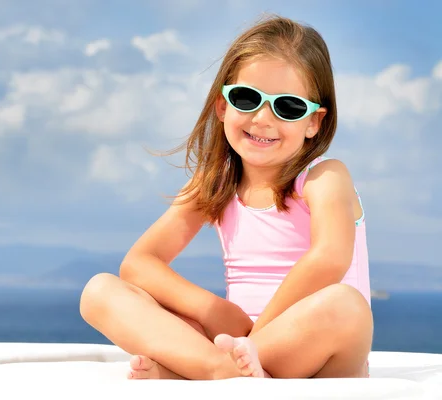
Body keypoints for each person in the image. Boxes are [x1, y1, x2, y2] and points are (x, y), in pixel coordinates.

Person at [79, 14, 373, 380]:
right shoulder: (215, 182)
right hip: (234, 344)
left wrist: (258, 338)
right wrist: (209, 309)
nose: (263, 118)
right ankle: (220, 370)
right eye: (247, 98)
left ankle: (198, 370)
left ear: (314, 122)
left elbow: (329, 259)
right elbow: (140, 263)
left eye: (289, 107)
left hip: (307, 345)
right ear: (222, 106)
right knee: (99, 291)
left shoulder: (324, 178)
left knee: (345, 305)